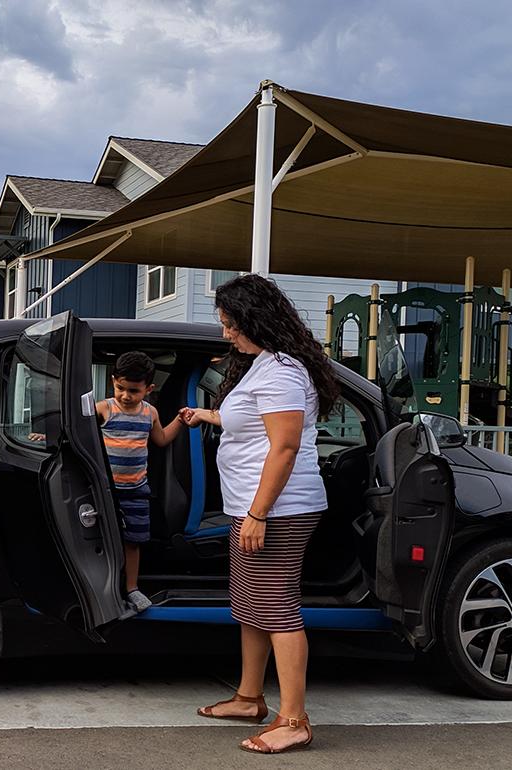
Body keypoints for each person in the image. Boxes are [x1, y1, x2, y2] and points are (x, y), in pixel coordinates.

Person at [184, 273, 338, 754]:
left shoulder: (283, 371)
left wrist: (258, 513)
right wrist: (207, 415)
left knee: (277, 610)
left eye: (231, 324)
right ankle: (249, 698)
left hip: (278, 510)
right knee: (252, 608)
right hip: (256, 508)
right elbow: (251, 423)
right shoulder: (264, 365)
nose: (226, 333)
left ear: (256, 319)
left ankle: (294, 720)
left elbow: (286, 446)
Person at [98, 351, 187, 612]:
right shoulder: (105, 409)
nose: (126, 395)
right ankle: (105, 587)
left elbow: (160, 440)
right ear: (113, 381)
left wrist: (180, 421)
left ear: (149, 389)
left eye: (134, 391)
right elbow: (79, 434)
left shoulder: (150, 413)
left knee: (133, 541)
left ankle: (132, 588)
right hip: (107, 490)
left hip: (136, 490)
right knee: (104, 539)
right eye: (120, 388)